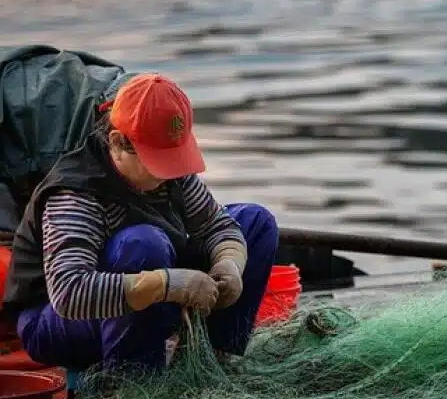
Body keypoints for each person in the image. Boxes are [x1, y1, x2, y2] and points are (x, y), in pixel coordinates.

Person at [2, 73, 279, 374]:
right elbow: (70, 293)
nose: (169, 173)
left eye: (174, 158)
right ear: (118, 143)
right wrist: (166, 285)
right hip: (57, 319)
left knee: (255, 222)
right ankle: (133, 380)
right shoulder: (76, 194)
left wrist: (229, 264)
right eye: (157, 161)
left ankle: (216, 357)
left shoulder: (173, 173)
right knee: (144, 244)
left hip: (147, 288)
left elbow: (217, 225)